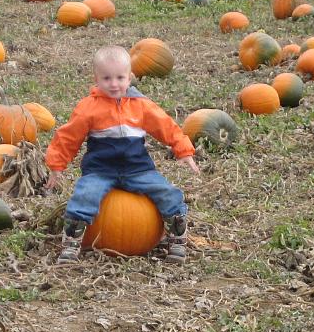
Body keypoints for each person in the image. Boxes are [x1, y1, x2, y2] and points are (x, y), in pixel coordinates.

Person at [45, 45, 200, 264]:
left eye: (120, 77)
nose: (114, 84)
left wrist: (183, 150)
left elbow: (166, 126)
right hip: (100, 170)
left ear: (130, 78)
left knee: (167, 192)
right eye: (107, 78)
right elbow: (68, 136)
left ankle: (177, 239)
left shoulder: (141, 106)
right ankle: (71, 243)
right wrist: (56, 165)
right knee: (84, 196)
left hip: (138, 169)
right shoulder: (88, 108)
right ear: (96, 79)